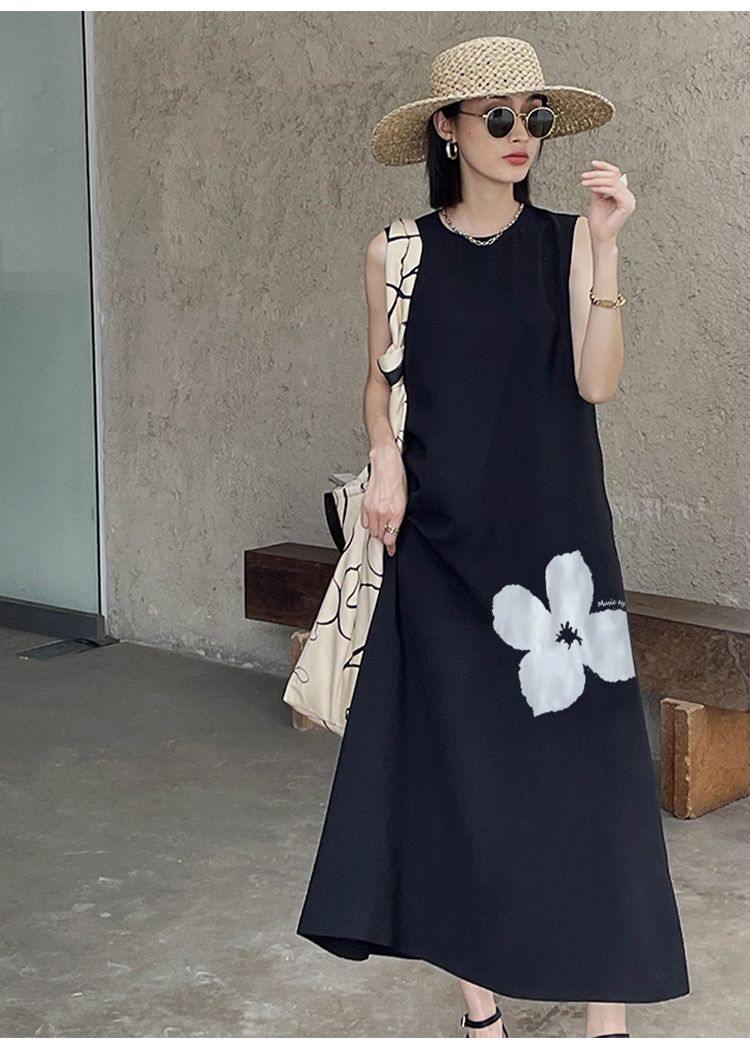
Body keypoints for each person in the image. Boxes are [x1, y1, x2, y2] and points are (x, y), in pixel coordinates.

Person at [295, 36, 690, 1038]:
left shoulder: (568, 241)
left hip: (560, 553)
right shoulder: (397, 251)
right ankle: (483, 1015)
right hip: (441, 548)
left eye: (536, 117)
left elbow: (596, 382)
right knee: (458, 773)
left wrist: (610, 246)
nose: (523, 136)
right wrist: (383, 457)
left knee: (594, 775)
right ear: (447, 129)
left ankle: (607, 1017)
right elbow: (381, 381)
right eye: (500, 117)